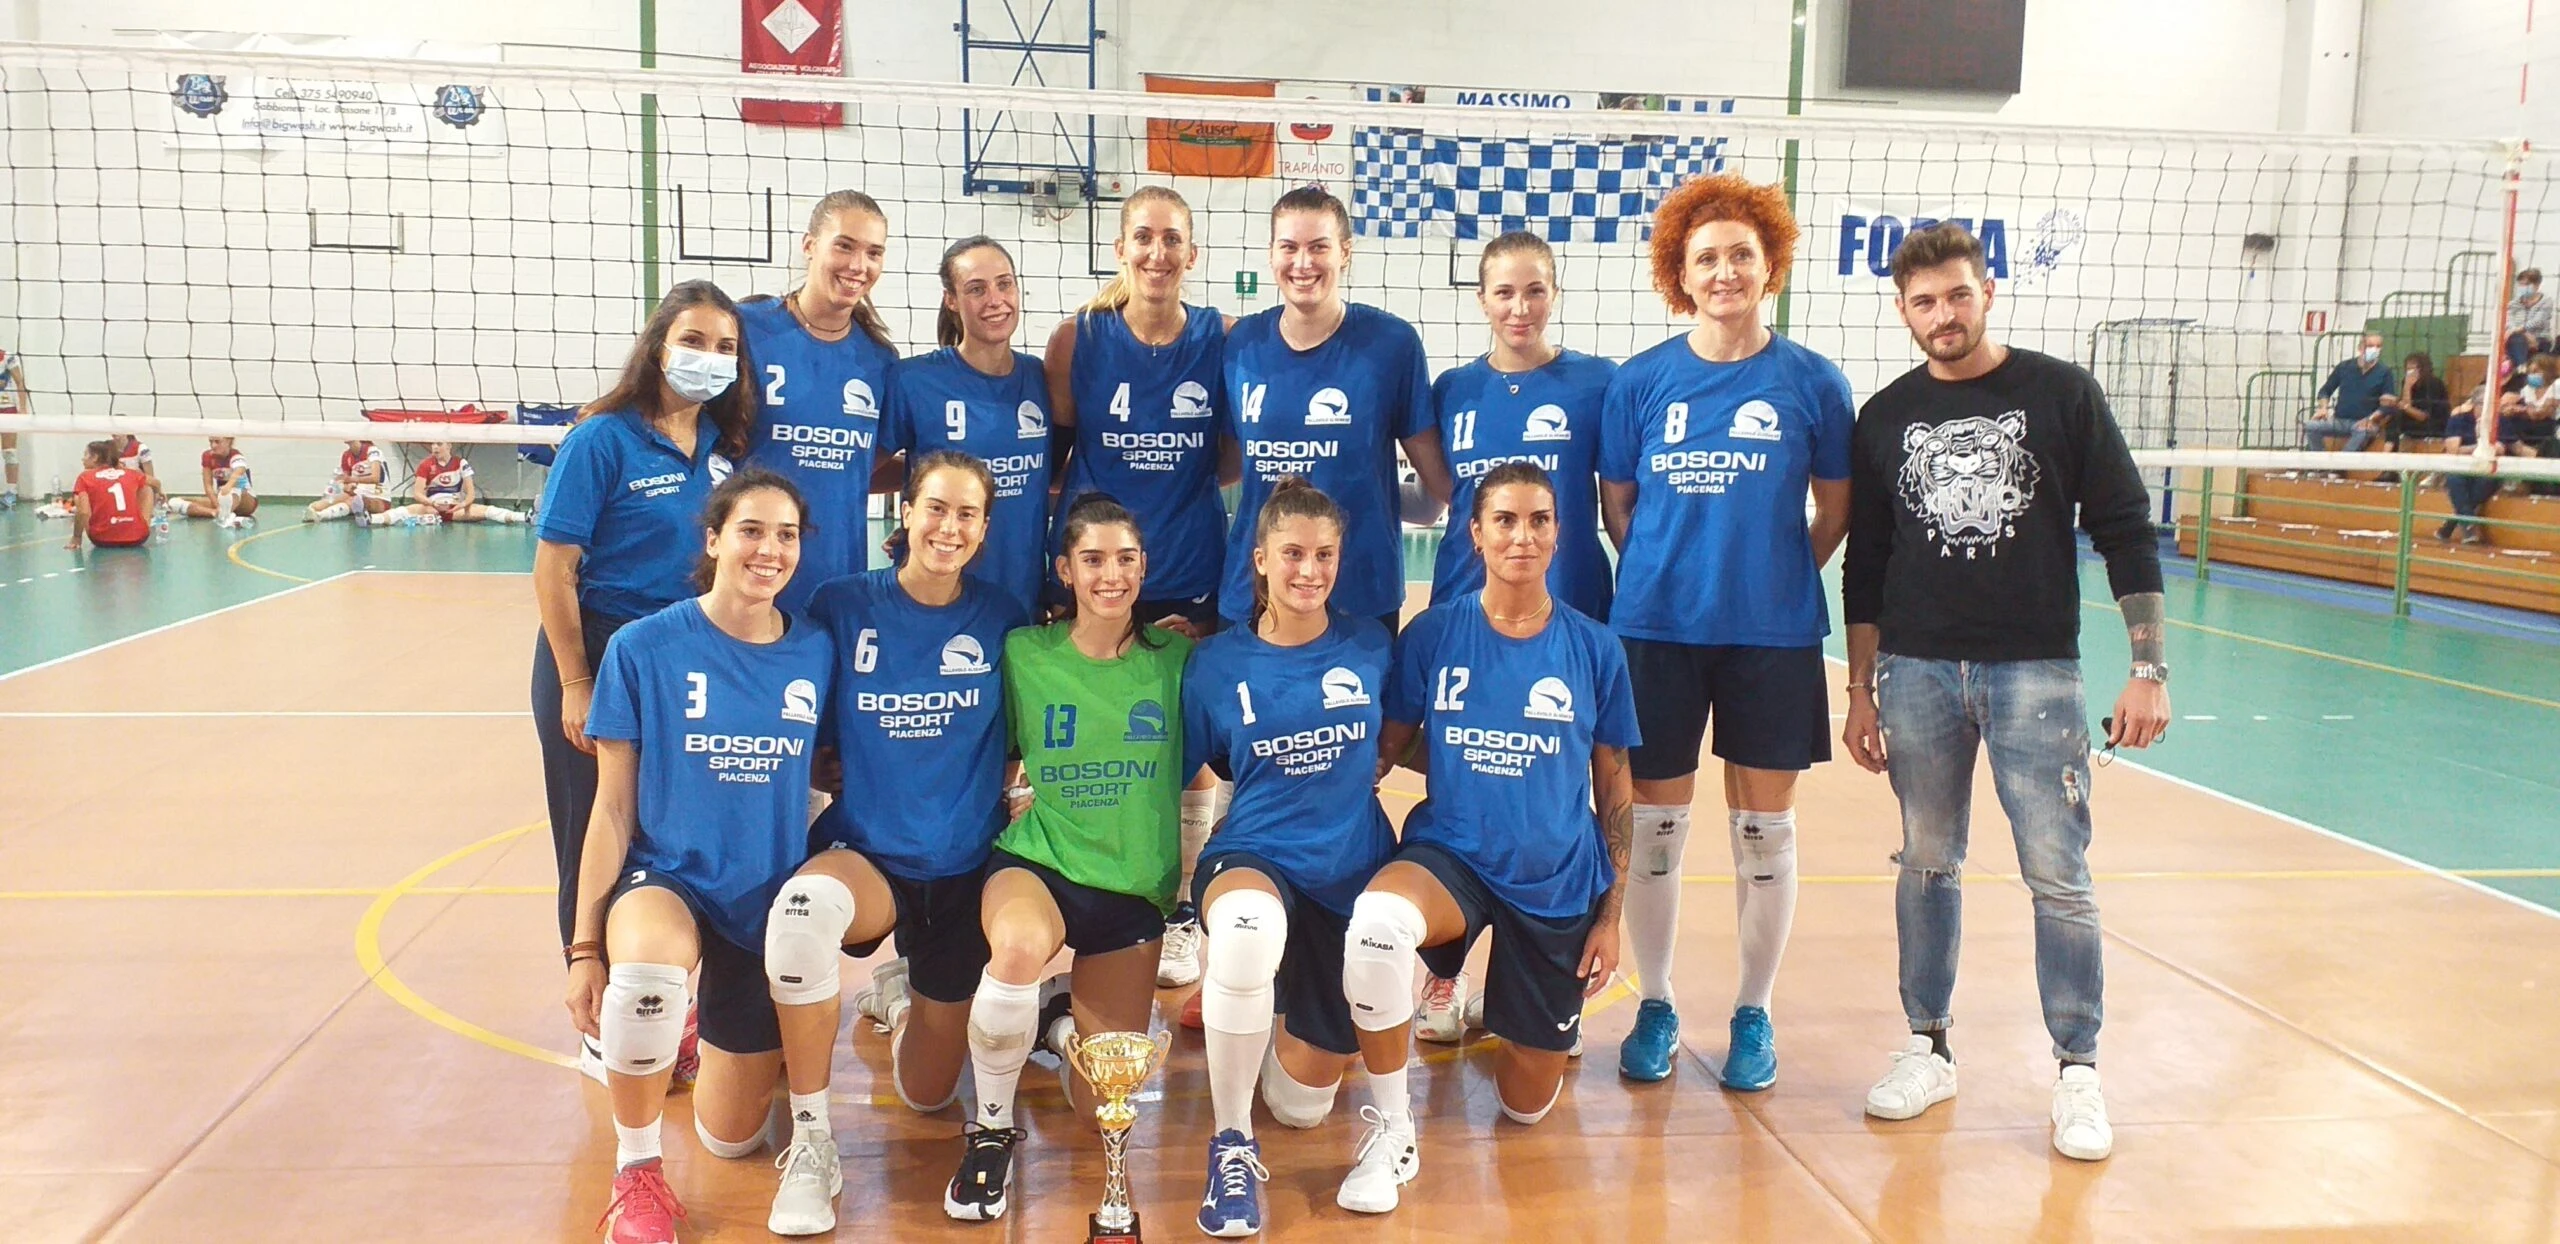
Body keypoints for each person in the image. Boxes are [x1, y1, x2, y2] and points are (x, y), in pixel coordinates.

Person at [1841, 220, 2170, 1164]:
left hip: (2037, 672)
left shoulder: (2062, 394)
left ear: (1988, 292)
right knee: (1926, 861)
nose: (1943, 314)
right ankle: (1927, 1047)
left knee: (2058, 874)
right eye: (1924, 302)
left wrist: (2148, 668)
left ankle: (2077, 1070)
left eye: (1957, 294)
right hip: (1916, 673)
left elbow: (2125, 528)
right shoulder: (1886, 416)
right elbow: (1867, 564)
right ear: (1903, 312)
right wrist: (1860, 689)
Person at [1597, 173, 1852, 1090]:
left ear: (1770, 263)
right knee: (1655, 830)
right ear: (1681, 272)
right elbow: (1619, 509)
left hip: (1773, 635)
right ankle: (1657, 1003)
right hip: (1657, 630)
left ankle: (1754, 1012)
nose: (1725, 271)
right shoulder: (1640, 382)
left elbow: (1834, 511)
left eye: (1742, 254)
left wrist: (1770, 572)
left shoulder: (1814, 382)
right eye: (1706, 257)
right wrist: (1675, 571)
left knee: (1763, 833)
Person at [1336, 461, 1638, 1215]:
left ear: (1559, 533)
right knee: (1376, 924)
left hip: (1555, 878)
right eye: (1504, 520)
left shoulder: (1595, 648)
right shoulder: (1435, 633)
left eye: (1539, 520)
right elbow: (1382, 752)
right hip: (1453, 857)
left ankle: (1503, 999)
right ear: (1474, 532)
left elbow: (1616, 790)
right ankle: (1393, 1130)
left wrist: (1611, 916)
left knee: (1525, 1108)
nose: (1522, 536)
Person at [563, 468, 833, 1244]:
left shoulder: (815, 650)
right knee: (645, 980)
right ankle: (637, 1172)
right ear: (713, 539)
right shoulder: (643, 647)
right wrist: (585, 948)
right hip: (669, 877)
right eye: (751, 530)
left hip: (764, 897)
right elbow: (612, 808)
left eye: (786, 535)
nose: (769, 549)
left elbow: (830, 768)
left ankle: (700, 1037)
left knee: (732, 1137)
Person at [760, 451, 1014, 1236]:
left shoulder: (1004, 617)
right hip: (870, 855)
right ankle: (811, 1142)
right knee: (800, 915)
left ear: (984, 529)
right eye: (935, 507)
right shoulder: (843, 605)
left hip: (964, 868)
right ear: (905, 512)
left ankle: (900, 1000)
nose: (949, 527)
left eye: (967, 514)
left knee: (927, 1095)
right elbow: (788, 691)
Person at [945, 492, 1192, 1223]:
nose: (1110, 575)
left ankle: (1056, 1026)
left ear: (1144, 567)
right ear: (1065, 571)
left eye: (1125, 559)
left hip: (1132, 891)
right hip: (1040, 862)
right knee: (1018, 948)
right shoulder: (1025, 652)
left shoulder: (1179, 661)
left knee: (1097, 1106)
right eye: (1092, 560)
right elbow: (980, 743)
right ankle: (991, 1131)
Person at [534, 279, 758, 1077]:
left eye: (725, 346)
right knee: (595, 830)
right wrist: (575, 681)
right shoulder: (602, 439)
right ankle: (597, 1019)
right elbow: (554, 569)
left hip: (683, 662)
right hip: (600, 655)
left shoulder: (727, 448)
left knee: (670, 840)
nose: (709, 358)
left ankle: (666, 1007)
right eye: (693, 340)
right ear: (657, 345)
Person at [1177, 477, 1394, 1236]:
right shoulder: (1214, 664)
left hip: (1348, 871)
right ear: (1261, 560)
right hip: (1255, 853)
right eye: (1293, 553)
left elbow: (1404, 744)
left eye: (1325, 554)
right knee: (1244, 934)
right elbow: (1181, 772)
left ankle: (1264, 1018)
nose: (1310, 570)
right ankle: (1231, 1146)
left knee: (1301, 1108)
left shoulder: (1372, 646)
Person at [1043, 186, 1236, 993]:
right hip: (1095, 568)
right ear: (1120, 248)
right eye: (1144, 238)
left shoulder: (1221, 338)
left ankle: (1181, 909)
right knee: (1095, 734)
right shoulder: (1077, 339)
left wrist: (1177, 494)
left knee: (1181, 741)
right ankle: (1085, 892)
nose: (1158, 253)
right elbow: (1053, 458)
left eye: (1172, 240)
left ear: (1192, 253)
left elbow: (1230, 452)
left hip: (1184, 566)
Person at [1220, 184, 1455, 642]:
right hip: (1256, 591)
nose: (1302, 262)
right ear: (1271, 254)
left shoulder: (1392, 345)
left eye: (1318, 247)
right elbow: (1226, 463)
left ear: (1345, 252)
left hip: (1360, 591)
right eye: (1289, 247)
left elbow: (1437, 481)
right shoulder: (1242, 344)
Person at [741, 190, 901, 615]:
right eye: (844, 246)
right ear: (809, 245)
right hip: (750, 576)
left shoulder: (879, 360)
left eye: (873, 253)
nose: (859, 265)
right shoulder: (747, 330)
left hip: (836, 582)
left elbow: (860, 465)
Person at [881, 237, 1054, 625]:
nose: (995, 300)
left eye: (1004, 284)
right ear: (952, 300)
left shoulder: (1039, 377)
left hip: (1020, 600)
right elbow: (858, 471)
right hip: (933, 596)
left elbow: (1050, 472)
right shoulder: (914, 380)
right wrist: (919, 501)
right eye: (976, 289)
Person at [371, 440, 530, 526]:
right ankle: (371, 519)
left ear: (449, 446)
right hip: (431, 508)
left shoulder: (461, 463)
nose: (435, 447)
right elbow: (417, 494)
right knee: (403, 511)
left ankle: (524, 517)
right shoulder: (425, 464)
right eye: (433, 444)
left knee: (488, 511)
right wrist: (431, 503)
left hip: (455, 509)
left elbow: (471, 493)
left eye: (439, 444)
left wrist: (462, 505)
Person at [2302, 332, 2396, 453]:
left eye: (2378, 346)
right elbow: (2325, 391)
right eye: (2370, 346)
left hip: (2366, 422)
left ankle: (2342, 462)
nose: (2374, 349)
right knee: (2311, 426)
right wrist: (2323, 408)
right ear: (2360, 347)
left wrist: (2371, 419)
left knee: (2362, 431)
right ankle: (2320, 460)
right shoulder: (2344, 367)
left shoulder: (2385, 372)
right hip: (2339, 420)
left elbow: (2387, 405)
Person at [65, 439, 158, 551]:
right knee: (147, 489)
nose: (82, 459)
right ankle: (141, 525)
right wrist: (160, 493)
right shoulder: (130, 473)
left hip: (102, 539)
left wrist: (77, 537)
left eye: (85, 455)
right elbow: (156, 483)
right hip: (138, 538)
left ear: (95, 458)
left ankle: (101, 527)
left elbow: (83, 511)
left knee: (80, 496)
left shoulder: (85, 477)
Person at [163, 436, 259, 527]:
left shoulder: (235, 456)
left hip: (245, 500)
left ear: (228, 442)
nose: (213, 445)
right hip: (222, 499)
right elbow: (208, 486)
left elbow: (239, 471)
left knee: (229, 492)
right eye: (211, 442)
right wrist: (217, 506)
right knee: (174, 502)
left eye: (217, 442)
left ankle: (224, 514)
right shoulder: (208, 456)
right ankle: (216, 514)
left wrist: (229, 486)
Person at [303, 437, 391, 523]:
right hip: (358, 493)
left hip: (379, 497)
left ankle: (320, 515)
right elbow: (346, 482)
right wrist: (347, 486)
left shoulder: (373, 451)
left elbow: (375, 478)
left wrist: (351, 479)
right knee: (328, 501)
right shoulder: (346, 455)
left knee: (354, 501)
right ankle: (311, 509)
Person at [2389, 352, 2452, 443]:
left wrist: (2404, 407)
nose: (2410, 372)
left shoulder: (2434, 384)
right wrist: (2407, 387)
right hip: (2412, 422)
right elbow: (2406, 409)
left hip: (2433, 424)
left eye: (2413, 368)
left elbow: (2423, 416)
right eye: (2408, 369)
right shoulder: (2407, 382)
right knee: (2394, 418)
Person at [2508, 267, 2552, 371]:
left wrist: (2522, 330)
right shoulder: (2514, 303)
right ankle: (2522, 369)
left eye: (2526, 284)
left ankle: (2528, 370)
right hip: (2519, 338)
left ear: (2537, 285)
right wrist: (2526, 335)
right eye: (2521, 284)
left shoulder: (2546, 301)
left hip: (2540, 338)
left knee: (2542, 346)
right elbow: (2509, 322)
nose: (2523, 287)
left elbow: (2538, 321)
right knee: (2516, 340)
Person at [0, 346, 27, 508]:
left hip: (7, 408)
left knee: (9, 452)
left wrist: (23, 408)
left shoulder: (6, 356)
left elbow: (19, 382)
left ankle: (11, 492)